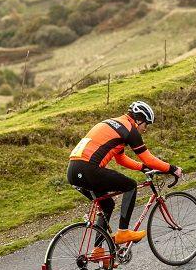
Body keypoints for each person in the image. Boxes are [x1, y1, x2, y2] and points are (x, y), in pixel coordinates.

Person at [67, 100, 182, 247]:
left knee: (107, 205)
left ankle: (98, 250)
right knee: (130, 185)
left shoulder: (115, 124)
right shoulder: (129, 129)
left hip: (73, 171)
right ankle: (123, 231)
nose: (146, 129)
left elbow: (120, 159)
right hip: (88, 169)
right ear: (139, 120)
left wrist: (142, 167)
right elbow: (148, 158)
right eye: (146, 124)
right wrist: (172, 169)